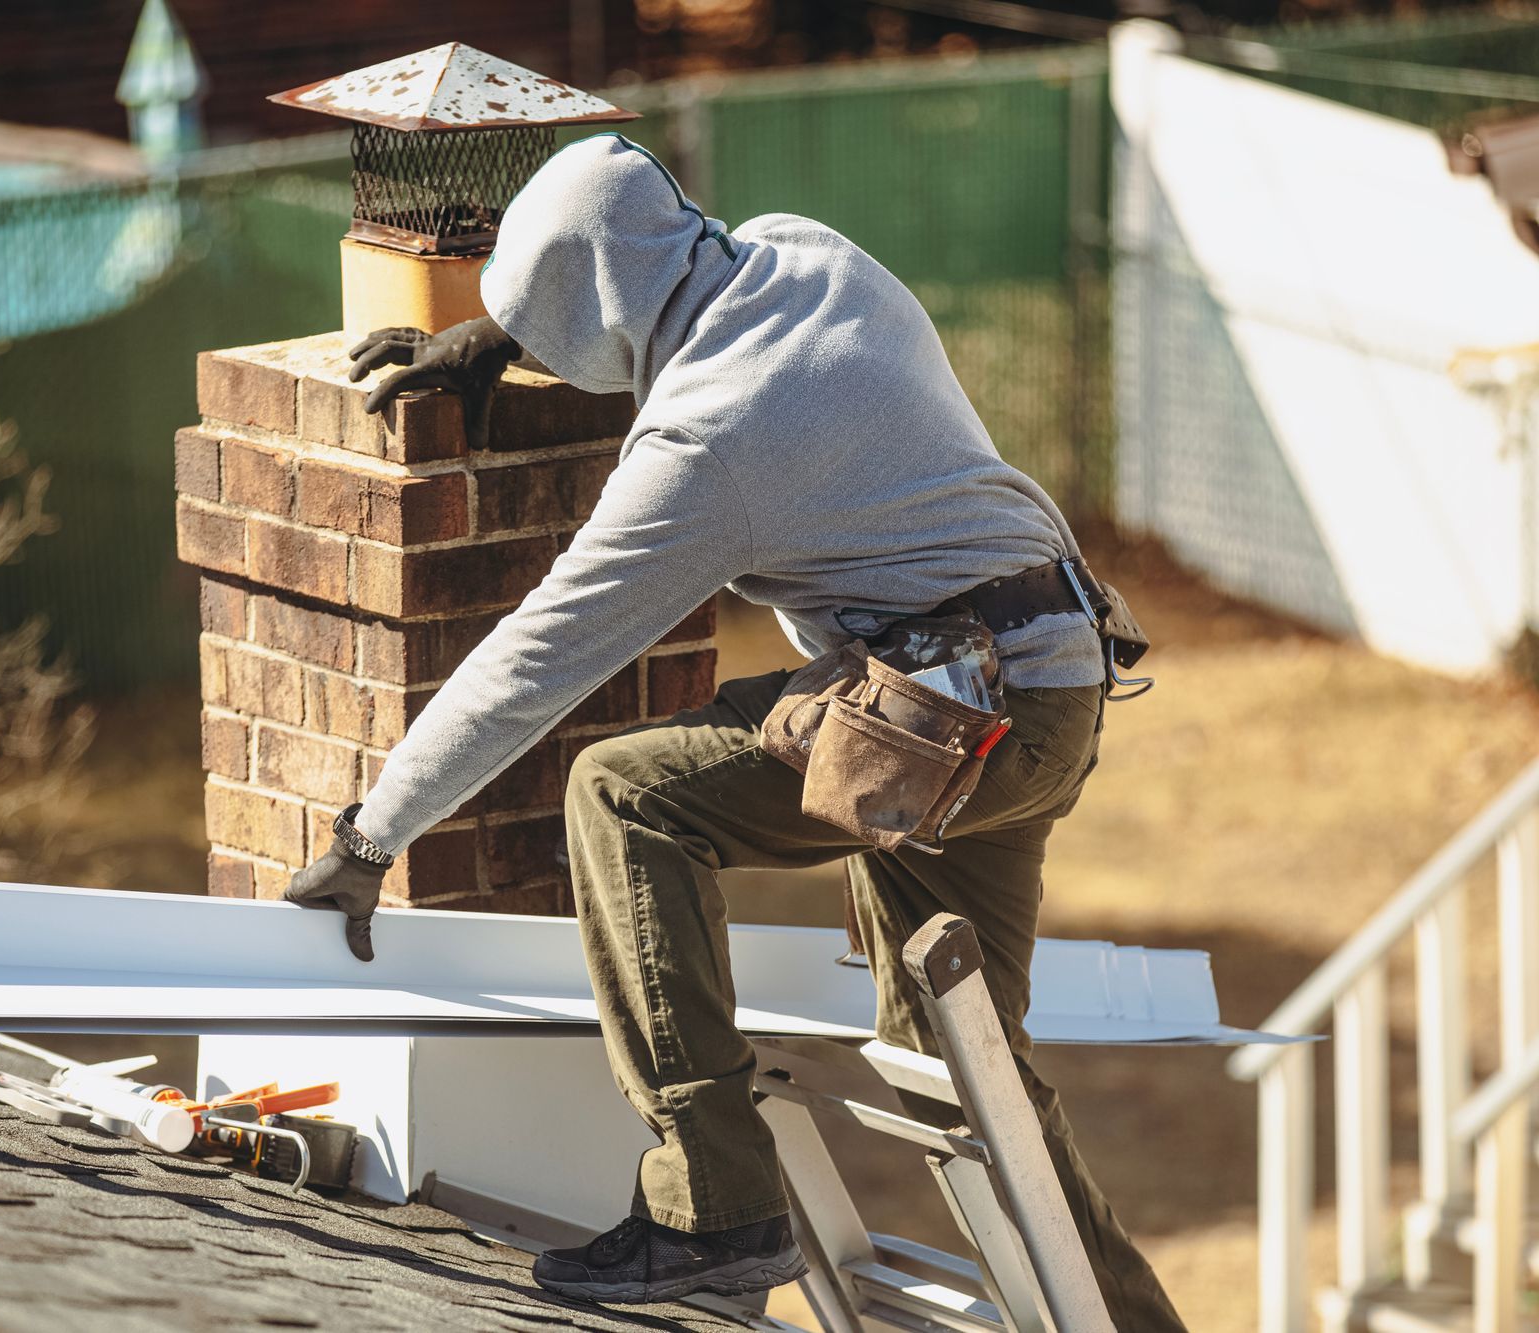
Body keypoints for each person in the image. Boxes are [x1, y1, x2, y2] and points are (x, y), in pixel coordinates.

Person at [284, 133, 1183, 1327]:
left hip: (951, 714)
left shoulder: (708, 443)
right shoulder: (811, 258)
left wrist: (369, 833)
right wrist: (500, 332)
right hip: (1051, 676)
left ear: (591, 309)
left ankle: (710, 1203)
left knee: (622, 793)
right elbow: (632, 260)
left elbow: (536, 658)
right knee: (963, 1070)